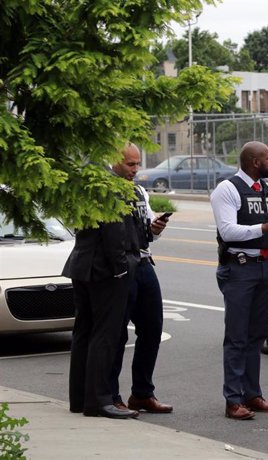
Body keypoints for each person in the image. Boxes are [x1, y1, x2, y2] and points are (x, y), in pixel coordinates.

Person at [211, 141, 268, 421]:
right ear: (255, 162)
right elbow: (228, 231)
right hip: (240, 267)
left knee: (257, 335)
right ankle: (233, 400)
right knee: (236, 336)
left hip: (265, 266)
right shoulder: (228, 189)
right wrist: (263, 227)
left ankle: (252, 394)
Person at [63, 168, 140, 419]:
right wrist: (120, 269)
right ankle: (98, 401)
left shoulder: (86, 182)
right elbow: (114, 231)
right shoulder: (112, 186)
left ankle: (80, 398)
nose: (135, 169)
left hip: (83, 266)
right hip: (104, 271)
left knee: (83, 332)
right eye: (131, 163)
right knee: (104, 334)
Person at [109, 143, 173, 415]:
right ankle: (111, 395)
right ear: (114, 161)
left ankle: (142, 393)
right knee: (116, 334)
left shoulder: (139, 191)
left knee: (152, 328)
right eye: (130, 164)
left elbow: (147, 232)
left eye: (137, 164)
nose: (136, 170)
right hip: (122, 266)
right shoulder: (105, 190)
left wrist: (155, 227)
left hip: (144, 262)